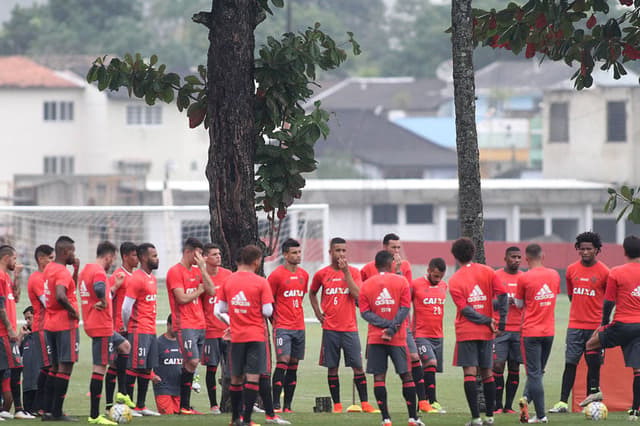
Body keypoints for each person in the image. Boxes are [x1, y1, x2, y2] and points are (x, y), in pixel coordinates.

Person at [215, 245, 289, 426]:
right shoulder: (261, 282)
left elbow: (219, 310)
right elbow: (267, 310)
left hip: (237, 337)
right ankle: (247, 420)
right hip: (256, 336)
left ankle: (235, 420)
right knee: (254, 378)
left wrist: (233, 322)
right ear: (256, 261)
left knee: (236, 378)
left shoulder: (228, 281)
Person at [361, 233, 429, 412]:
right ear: (385, 248)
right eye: (394, 247)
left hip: (401, 324)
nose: (397, 251)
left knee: (413, 358)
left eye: (399, 247)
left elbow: (405, 293)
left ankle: (423, 402)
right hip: (377, 327)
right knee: (379, 372)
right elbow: (362, 295)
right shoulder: (369, 268)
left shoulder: (405, 266)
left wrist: (397, 271)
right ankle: (386, 414)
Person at [310, 237, 376, 414]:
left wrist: (345, 272)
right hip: (330, 329)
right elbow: (312, 293)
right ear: (330, 252)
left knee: (358, 366)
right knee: (332, 367)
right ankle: (337, 405)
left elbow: (358, 295)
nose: (341, 254)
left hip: (350, 329)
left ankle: (365, 404)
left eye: (343, 251)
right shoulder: (321, 274)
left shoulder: (353, 272)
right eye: (337, 250)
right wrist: (317, 313)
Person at [448, 237, 507, 426]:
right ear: (473, 252)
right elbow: (503, 295)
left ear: (455, 257)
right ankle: (490, 417)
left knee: (470, 374)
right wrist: (499, 321)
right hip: (486, 332)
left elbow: (465, 310)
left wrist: (486, 319)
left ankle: (475, 419)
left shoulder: (455, 279)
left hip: (466, 332)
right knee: (488, 373)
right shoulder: (488, 271)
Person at [549, 232, 609, 413]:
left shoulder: (605, 272)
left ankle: (592, 404)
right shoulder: (571, 270)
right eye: (581, 249)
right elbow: (571, 296)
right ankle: (562, 403)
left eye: (588, 249)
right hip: (575, 325)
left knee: (594, 364)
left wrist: (602, 323)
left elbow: (609, 300)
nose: (584, 252)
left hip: (595, 327)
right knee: (570, 363)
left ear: (596, 250)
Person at [583, 235, 640, 421]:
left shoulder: (616, 272)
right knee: (638, 369)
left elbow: (608, 302)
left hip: (622, 324)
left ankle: (594, 390)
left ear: (624, 251)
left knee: (591, 345)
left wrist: (603, 325)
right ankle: (635, 409)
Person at [79, 241, 132, 425]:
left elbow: (101, 290)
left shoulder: (87, 270)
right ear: (108, 257)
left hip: (98, 324)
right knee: (99, 368)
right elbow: (100, 289)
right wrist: (102, 300)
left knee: (125, 346)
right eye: (113, 260)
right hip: (100, 325)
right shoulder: (99, 272)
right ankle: (94, 415)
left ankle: (122, 392)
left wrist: (114, 288)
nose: (112, 264)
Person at [165, 237, 214, 414]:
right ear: (189, 252)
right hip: (184, 324)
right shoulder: (174, 272)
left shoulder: (197, 270)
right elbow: (182, 298)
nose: (202, 258)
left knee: (190, 363)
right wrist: (198, 290)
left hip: (200, 324)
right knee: (192, 361)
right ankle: (183, 404)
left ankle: (183, 406)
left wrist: (202, 268)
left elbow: (212, 290)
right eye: (199, 254)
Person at [514, 243, 560, 424]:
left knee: (533, 373)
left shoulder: (524, 278)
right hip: (549, 331)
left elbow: (518, 305)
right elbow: (553, 294)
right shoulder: (555, 275)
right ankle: (526, 398)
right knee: (539, 372)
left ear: (526, 259)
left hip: (530, 331)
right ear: (544, 256)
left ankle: (541, 416)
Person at [268, 238, 308, 413]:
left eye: (299, 252)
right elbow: (269, 302)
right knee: (282, 362)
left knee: (294, 364)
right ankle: (275, 404)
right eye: (294, 252)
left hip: (299, 327)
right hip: (282, 327)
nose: (298, 255)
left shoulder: (304, 275)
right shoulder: (276, 275)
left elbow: (300, 298)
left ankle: (288, 407)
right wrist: (275, 322)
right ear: (285, 255)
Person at [43, 236, 80, 421]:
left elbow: (65, 287)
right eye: (72, 250)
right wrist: (73, 311)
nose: (74, 254)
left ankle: (48, 411)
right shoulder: (62, 272)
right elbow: (61, 295)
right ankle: (57, 412)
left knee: (55, 367)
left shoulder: (50, 268)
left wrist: (76, 271)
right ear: (65, 252)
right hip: (65, 325)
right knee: (65, 368)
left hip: (50, 323)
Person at [121, 243, 161, 416]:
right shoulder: (137, 278)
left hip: (151, 329)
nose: (157, 258)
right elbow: (125, 307)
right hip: (139, 329)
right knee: (134, 367)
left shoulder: (151, 278)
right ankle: (128, 406)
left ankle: (141, 405)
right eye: (153, 255)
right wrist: (128, 326)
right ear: (144, 258)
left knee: (146, 367)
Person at [0, 245, 33, 420]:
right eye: (14, 258)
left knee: (16, 367)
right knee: (13, 367)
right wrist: (11, 329)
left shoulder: (5, 276)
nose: (16, 261)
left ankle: (18, 409)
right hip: (3, 332)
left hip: (7, 333)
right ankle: (17, 409)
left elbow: (16, 296)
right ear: (6, 257)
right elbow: (0, 307)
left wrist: (17, 276)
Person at [411, 257, 447, 414]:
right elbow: (405, 303)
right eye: (435, 276)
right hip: (420, 334)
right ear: (429, 271)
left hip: (438, 335)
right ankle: (431, 401)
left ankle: (424, 401)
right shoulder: (416, 284)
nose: (438, 280)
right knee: (430, 362)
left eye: (441, 276)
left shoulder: (444, 286)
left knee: (431, 368)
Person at [200, 243, 232, 415]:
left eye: (219, 253)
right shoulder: (200, 276)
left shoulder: (228, 275)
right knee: (211, 368)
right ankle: (213, 405)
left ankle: (232, 402)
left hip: (227, 330)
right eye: (214, 254)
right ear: (205, 258)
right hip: (210, 331)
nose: (218, 256)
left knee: (231, 369)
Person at [106, 242, 138, 413]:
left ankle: (122, 404)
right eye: (134, 255)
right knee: (115, 366)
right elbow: (108, 300)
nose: (137, 258)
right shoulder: (118, 276)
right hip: (118, 327)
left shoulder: (135, 276)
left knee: (125, 367)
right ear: (125, 257)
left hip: (130, 327)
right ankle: (110, 405)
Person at [492, 246, 524, 414]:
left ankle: (508, 406)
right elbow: (489, 302)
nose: (516, 260)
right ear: (505, 258)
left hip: (519, 330)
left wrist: (519, 301)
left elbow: (530, 301)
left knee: (514, 366)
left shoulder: (524, 278)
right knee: (497, 365)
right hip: (500, 330)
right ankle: (497, 405)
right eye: (513, 257)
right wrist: (504, 301)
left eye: (519, 257)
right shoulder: (496, 276)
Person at [26, 244, 54, 416]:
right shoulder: (36, 278)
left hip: (51, 327)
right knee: (48, 366)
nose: (52, 261)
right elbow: (48, 303)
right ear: (41, 259)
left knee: (50, 367)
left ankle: (43, 405)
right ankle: (40, 406)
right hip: (42, 327)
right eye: (50, 258)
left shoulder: (48, 277)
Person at [153, 315, 183, 415]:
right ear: (168, 325)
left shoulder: (183, 342)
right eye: (175, 326)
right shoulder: (158, 343)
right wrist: (151, 376)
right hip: (163, 389)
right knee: (168, 417)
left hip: (180, 389)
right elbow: (147, 363)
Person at [19, 306, 36, 415]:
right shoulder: (25, 338)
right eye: (26, 319)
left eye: (29, 318)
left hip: (39, 388)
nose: (27, 322)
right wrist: (20, 336)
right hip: (27, 387)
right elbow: (15, 353)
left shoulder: (45, 335)